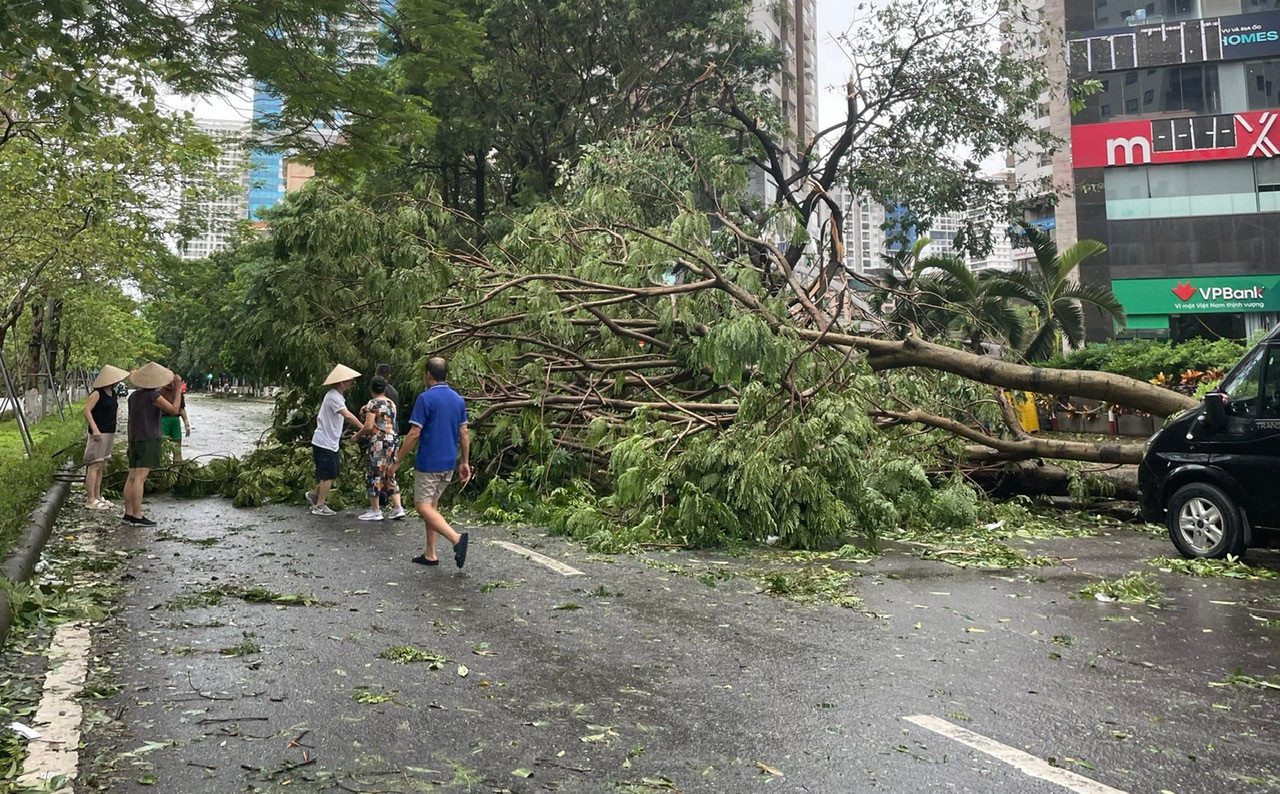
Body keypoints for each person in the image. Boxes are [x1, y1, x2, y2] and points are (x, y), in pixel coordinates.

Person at [389, 357, 471, 568]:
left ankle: (456, 539)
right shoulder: (457, 399)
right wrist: (465, 461)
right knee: (432, 506)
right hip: (449, 462)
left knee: (422, 506)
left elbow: (414, 433)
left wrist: (397, 460)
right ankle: (430, 553)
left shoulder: (425, 399)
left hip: (429, 462)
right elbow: (464, 431)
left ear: (428, 375)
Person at [123, 362, 183, 526]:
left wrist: (130, 441)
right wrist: (178, 390)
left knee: (132, 477)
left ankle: (128, 513)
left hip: (135, 439)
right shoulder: (153, 396)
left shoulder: (133, 396)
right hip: (149, 439)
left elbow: (129, 421)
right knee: (141, 478)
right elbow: (173, 409)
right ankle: (137, 515)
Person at [306, 364, 364, 516]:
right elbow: (348, 416)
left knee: (333, 471)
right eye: (349, 380)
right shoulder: (333, 397)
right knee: (328, 475)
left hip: (329, 441)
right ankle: (319, 506)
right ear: (341, 382)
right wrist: (363, 428)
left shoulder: (337, 396)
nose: (351, 382)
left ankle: (313, 495)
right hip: (324, 441)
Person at [354, 376, 405, 521]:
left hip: (379, 441)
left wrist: (356, 436)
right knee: (389, 474)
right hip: (393, 440)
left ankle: (375, 510)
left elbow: (369, 426)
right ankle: (397, 507)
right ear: (385, 388)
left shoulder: (373, 404)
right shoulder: (391, 404)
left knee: (374, 473)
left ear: (371, 389)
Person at [83, 365, 128, 510]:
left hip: (110, 431)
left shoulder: (113, 393)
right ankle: (90, 499)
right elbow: (87, 411)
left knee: (102, 465)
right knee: (94, 464)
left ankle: (97, 495)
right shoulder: (97, 394)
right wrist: (94, 428)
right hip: (98, 432)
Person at [159, 377, 191, 462]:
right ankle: (167, 467)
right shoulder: (160, 391)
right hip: (163, 420)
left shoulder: (178, 392)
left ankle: (175, 468)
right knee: (164, 448)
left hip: (174, 420)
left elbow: (181, 408)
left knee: (176, 450)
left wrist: (186, 423)